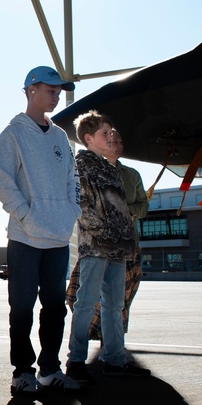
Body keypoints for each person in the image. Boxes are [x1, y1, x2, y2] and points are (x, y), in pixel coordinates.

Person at [0, 65, 82, 395]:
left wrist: (71, 211)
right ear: (30, 90)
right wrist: (26, 216)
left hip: (58, 237)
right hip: (25, 237)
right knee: (21, 308)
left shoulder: (60, 137)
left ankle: (49, 370)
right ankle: (22, 372)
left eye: (59, 91)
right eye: (50, 90)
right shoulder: (12, 134)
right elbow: (2, 182)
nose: (56, 96)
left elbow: (73, 178)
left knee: (56, 308)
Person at [66, 111, 150, 380]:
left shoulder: (109, 168)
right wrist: (105, 234)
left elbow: (124, 210)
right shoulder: (80, 166)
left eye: (111, 132)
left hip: (119, 248)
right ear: (88, 138)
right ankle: (76, 360)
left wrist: (123, 239)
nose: (111, 136)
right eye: (105, 133)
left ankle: (115, 358)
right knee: (86, 303)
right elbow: (83, 207)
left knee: (115, 306)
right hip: (98, 246)